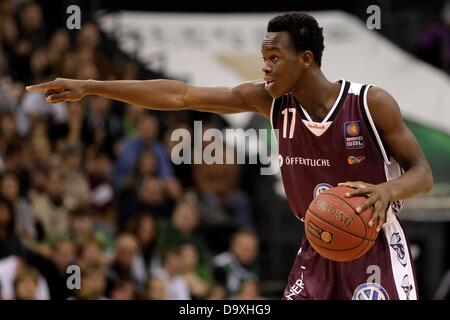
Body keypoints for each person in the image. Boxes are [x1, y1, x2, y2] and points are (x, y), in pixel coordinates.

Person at [26, 12, 433, 300]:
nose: (266, 67)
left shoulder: (370, 103)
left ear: (305, 59)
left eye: (275, 58)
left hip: (374, 245)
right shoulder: (267, 100)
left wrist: (385, 191)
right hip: (318, 243)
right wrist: (93, 86)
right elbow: (180, 95)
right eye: (264, 58)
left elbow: (422, 173)